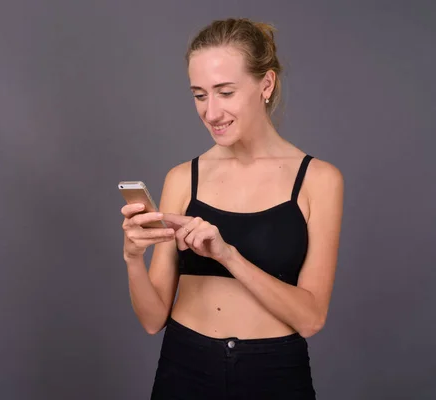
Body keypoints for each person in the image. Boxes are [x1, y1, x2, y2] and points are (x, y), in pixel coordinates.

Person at [120, 17, 344, 399]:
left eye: (225, 92)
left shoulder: (318, 180)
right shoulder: (182, 178)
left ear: (266, 85)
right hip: (184, 367)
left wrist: (228, 255)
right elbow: (153, 319)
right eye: (200, 94)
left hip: (274, 372)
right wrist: (132, 258)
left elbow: (311, 319)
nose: (211, 113)